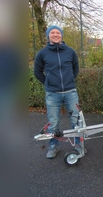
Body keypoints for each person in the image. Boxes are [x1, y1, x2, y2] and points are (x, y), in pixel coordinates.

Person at [34, 25, 83, 159]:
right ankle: (54, 145)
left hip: (70, 92)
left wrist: (70, 81)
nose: (55, 35)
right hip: (52, 93)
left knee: (75, 120)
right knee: (53, 122)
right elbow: (37, 72)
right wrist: (48, 82)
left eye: (58, 33)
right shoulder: (42, 53)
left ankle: (78, 144)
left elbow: (75, 68)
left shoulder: (70, 52)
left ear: (61, 35)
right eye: (52, 33)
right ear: (48, 36)